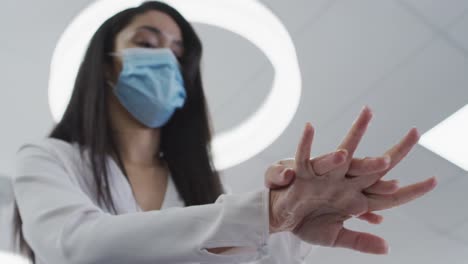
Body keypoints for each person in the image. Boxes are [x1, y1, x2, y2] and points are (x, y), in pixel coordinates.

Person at [12, 1, 436, 263]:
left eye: (179, 53)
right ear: (106, 64)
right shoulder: (47, 158)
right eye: (146, 43)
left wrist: (289, 226)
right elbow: (75, 247)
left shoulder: (205, 189)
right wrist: (262, 215)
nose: (166, 59)